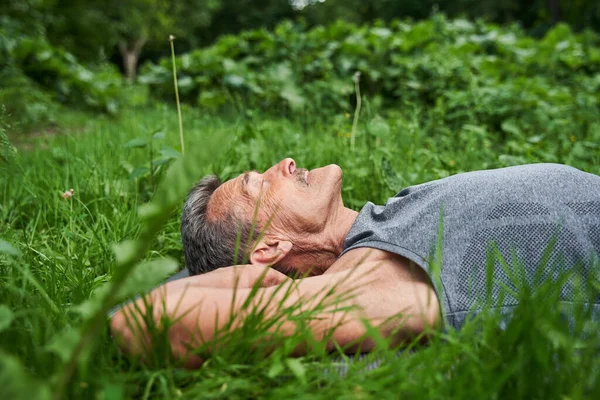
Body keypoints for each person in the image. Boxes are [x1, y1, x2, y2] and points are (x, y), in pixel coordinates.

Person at [111, 159, 600, 367]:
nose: (284, 164)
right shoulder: (366, 279)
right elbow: (146, 323)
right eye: (257, 185)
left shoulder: (386, 229)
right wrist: (259, 280)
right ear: (268, 250)